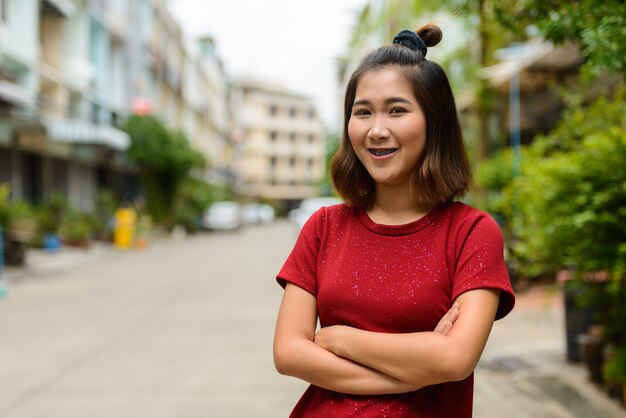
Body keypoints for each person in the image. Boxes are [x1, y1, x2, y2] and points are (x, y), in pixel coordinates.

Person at [273, 23, 515, 417]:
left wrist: (338, 338)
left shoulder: (471, 232)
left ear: (433, 123)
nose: (376, 130)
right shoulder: (324, 227)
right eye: (362, 112)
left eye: (397, 110)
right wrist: (414, 372)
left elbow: (454, 359)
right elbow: (288, 353)